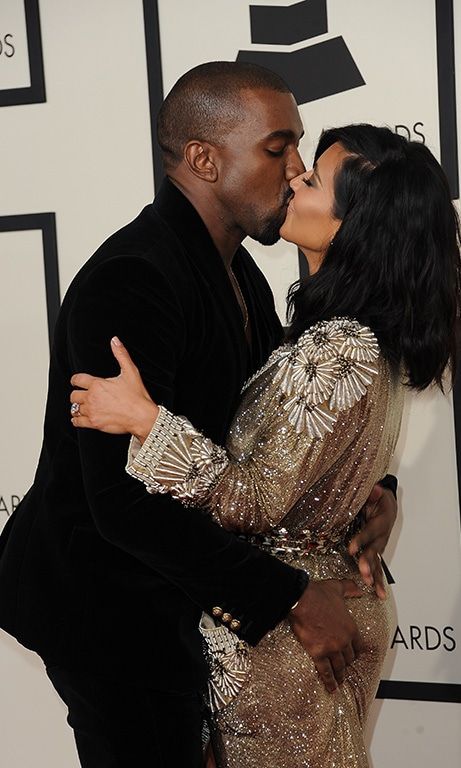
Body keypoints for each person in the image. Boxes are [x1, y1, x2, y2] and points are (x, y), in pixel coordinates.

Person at [0, 64, 396, 768]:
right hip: (102, 608)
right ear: (205, 159)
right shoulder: (133, 279)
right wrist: (291, 600)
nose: (296, 169)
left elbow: (280, 434)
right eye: (278, 149)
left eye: (298, 147)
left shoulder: (239, 271)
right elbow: (120, 505)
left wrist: (376, 490)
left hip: (176, 596)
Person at [69, 124, 460, 768]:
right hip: (297, 622)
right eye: (285, 155)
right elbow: (316, 458)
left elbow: (252, 499)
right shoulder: (341, 335)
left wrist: (148, 423)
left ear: (352, 226)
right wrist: (372, 492)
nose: (294, 177)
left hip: (284, 643)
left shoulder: (339, 351)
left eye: (310, 177)